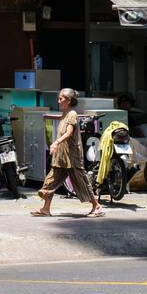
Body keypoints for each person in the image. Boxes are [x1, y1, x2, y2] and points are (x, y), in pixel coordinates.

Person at [31, 88, 104, 218]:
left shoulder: (72, 114)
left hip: (72, 157)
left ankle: (96, 206)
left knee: (81, 181)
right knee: (51, 181)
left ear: (69, 100)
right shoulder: (65, 114)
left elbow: (69, 132)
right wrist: (48, 117)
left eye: (61, 98)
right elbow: (61, 120)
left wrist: (56, 142)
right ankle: (45, 208)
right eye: (58, 98)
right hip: (61, 157)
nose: (58, 101)